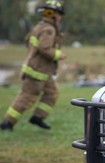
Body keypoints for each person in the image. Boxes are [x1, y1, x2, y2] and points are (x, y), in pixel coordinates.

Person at [0, 0, 66, 131]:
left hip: (44, 71)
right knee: (26, 97)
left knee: (52, 93)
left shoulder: (39, 26)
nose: (59, 17)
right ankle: (7, 123)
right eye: (58, 14)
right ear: (53, 15)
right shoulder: (48, 29)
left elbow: (27, 41)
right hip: (37, 71)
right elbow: (44, 48)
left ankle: (38, 117)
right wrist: (58, 54)